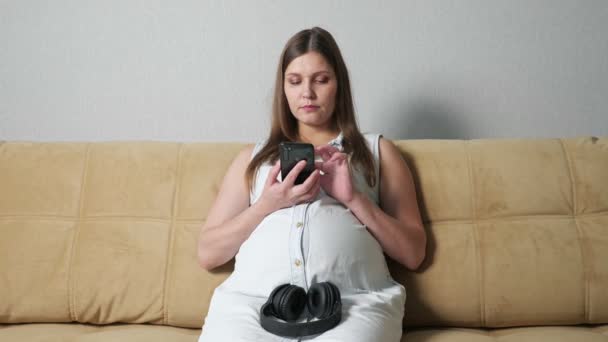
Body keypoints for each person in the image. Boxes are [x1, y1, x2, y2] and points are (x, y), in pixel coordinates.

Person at [197, 27, 426, 342]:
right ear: (284, 89)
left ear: (339, 86)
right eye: (295, 81)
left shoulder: (376, 152)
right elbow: (208, 253)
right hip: (251, 306)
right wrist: (268, 204)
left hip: (354, 305)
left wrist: (354, 198)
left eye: (321, 79)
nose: (307, 92)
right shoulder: (252, 159)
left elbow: (413, 253)